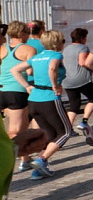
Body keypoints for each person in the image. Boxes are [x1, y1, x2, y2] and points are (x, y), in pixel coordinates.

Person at [11, 30, 74, 180]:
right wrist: (54, 85)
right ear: (57, 42)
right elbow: (52, 68)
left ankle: (38, 170)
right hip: (49, 99)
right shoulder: (56, 55)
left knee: (50, 135)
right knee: (65, 132)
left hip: (34, 101)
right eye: (63, 41)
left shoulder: (37, 57)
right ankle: (41, 160)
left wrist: (27, 86)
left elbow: (15, 70)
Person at [0, 21, 37, 172]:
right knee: (15, 131)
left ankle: (25, 159)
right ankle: (7, 159)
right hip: (17, 91)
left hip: (2, 90)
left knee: (22, 127)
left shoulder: (1, 49)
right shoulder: (29, 49)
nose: (29, 36)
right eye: (27, 33)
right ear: (22, 34)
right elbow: (30, 72)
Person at [61, 28, 93, 144]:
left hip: (67, 80)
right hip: (81, 79)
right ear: (82, 38)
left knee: (74, 105)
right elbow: (83, 62)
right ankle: (84, 121)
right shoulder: (83, 48)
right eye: (85, 37)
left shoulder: (66, 48)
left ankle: (67, 130)